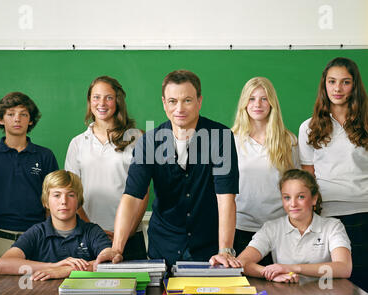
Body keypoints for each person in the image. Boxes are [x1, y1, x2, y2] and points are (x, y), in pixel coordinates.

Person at [95, 70, 241, 268]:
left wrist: (225, 250)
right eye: (173, 101)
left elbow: (225, 197)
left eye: (187, 100)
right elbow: (132, 196)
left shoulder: (220, 137)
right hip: (163, 250)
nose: (179, 108)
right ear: (164, 103)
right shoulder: (148, 141)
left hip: (210, 252)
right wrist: (117, 248)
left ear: (199, 101)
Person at [298, 57, 368, 291]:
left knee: (362, 281)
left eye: (345, 82)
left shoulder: (366, 123)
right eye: (332, 81)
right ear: (324, 85)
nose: (337, 88)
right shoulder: (309, 127)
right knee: (330, 287)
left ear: (354, 86)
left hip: (363, 214)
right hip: (327, 217)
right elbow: (309, 178)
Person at [65, 76, 148, 260]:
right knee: (88, 289)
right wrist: (93, 231)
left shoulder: (136, 139)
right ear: (89, 101)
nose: (101, 103)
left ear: (117, 102)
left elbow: (143, 193)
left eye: (108, 97)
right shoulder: (77, 143)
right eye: (96, 97)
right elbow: (72, 192)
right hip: (86, 236)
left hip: (130, 237)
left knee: (136, 288)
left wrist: (126, 233)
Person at [0, 92, 59, 280]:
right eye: (10, 114)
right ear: (1, 120)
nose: (17, 119)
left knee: (35, 292)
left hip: (35, 240)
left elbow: (53, 203)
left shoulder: (45, 156)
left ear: (31, 121)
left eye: (23, 114)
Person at [236, 169, 352, 283]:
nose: (293, 204)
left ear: (314, 199)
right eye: (287, 197)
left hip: (326, 293)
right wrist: (272, 274)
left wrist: (292, 268)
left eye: (300, 197)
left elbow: (344, 268)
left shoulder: (333, 226)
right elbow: (242, 262)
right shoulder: (271, 228)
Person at [0, 170, 112, 281]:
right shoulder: (37, 232)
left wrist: (66, 271)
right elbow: (2, 265)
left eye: (70, 195)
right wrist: (53, 266)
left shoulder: (92, 231)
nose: (64, 201)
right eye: (57, 195)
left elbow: (110, 261)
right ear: (46, 202)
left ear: (79, 201)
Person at [231, 77, 299, 263]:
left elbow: (297, 185)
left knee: (279, 286)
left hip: (279, 229)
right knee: (242, 287)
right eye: (252, 99)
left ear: (272, 103)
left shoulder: (289, 141)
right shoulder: (231, 140)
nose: (257, 104)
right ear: (244, 103)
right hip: (240, 227)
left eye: (264, 98)